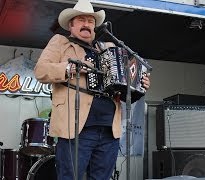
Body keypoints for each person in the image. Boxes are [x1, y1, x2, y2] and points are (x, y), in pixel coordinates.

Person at [34, 0, 150, 179]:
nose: (86, 24)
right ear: (71, 26)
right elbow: (41, 71)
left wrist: (139, 85)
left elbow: (124, 90)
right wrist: (71, 68)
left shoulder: (108, 49)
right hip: (76, 128)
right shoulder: (60, 43)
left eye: (90, 21)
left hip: (109, 130)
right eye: (81, 20)